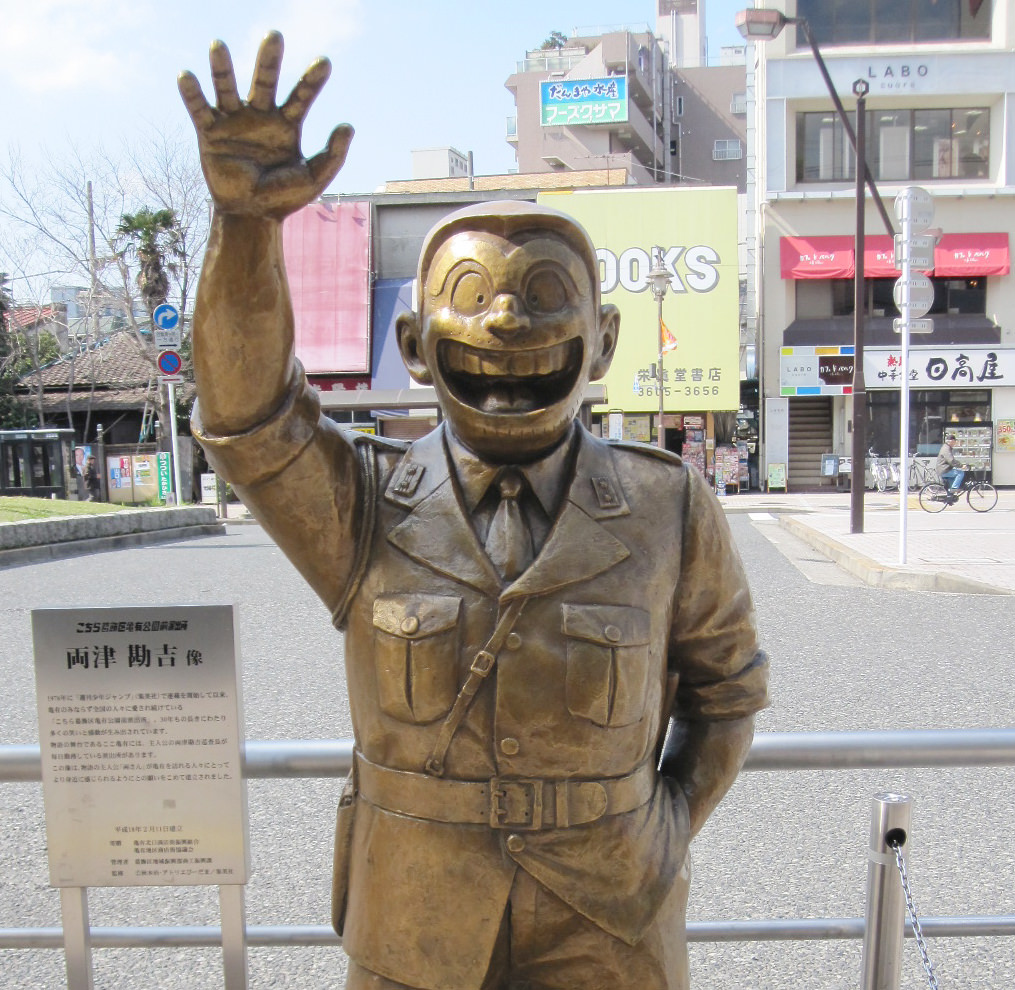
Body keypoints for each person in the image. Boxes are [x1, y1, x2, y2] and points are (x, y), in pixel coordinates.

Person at [180, 32, 768, 990]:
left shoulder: (668, 505)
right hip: (414, 908)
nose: (505, 324)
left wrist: (659, 828)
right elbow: (248, 415)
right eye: (471, 297)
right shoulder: (363, 503)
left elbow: (727, 692)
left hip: (612, 912)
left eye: (544, 297)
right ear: (413, 343)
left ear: (603, 339)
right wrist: (245, 226)